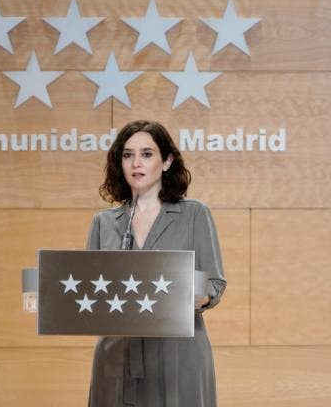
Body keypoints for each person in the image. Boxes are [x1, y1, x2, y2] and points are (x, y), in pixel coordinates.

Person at [86, 120, 226, 407]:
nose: (136, 163)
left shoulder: (194, 214)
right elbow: (89, 287)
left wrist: (200, 297)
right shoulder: (104, 222)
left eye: (147, 154)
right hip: (118, 355)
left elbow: (214, 283)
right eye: (128, 155)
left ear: (167, 161)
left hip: (177, 353)